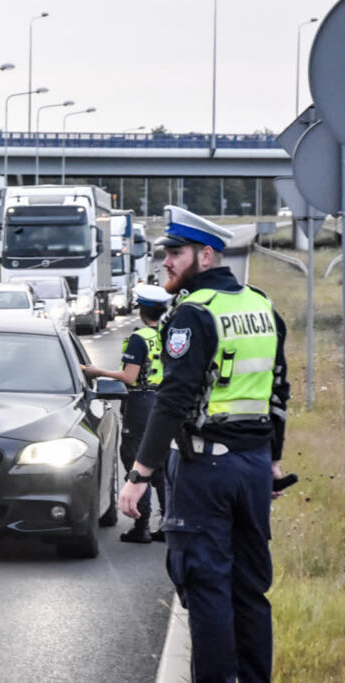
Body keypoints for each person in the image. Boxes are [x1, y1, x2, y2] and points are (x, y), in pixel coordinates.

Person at [118, 206, 289, 682]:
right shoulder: (261, 306)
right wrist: (272, 463)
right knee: (250, 588)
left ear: (206, 255)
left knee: (207, 585)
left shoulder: (194, 315)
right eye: (166, 253)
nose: (166, 263)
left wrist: (139, 476)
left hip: (206, 471)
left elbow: (172, 401)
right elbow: (277, 393)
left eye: (175, 253)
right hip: (253, 468)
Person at [82, 283, 171, 544]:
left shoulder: (139, 338)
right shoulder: (168, 335)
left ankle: (141, 526)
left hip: (141, 402)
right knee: (161, 463)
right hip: (164, 402)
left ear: (141, 309)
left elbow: (130, 378)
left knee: (137, 459)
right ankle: (166, 523)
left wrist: (96, 371)